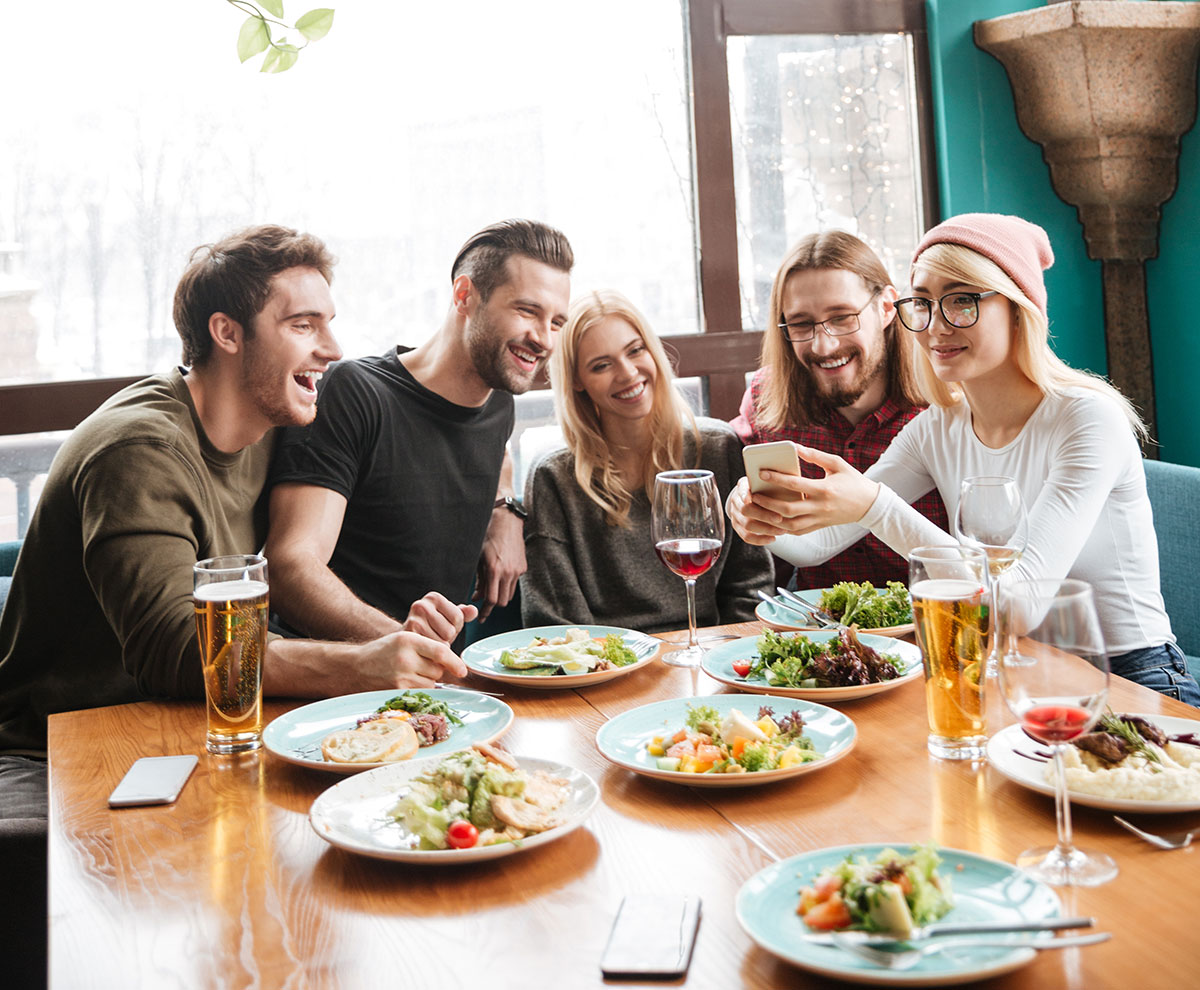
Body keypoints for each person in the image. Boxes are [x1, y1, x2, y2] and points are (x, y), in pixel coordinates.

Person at [0, 224, 475, 987]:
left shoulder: (267, 429)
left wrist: (506, 507)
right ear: (226, 333)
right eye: (302, 324)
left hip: (188, 733)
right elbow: (173, 650)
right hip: (59, 751)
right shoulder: (139, 449)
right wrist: (361, 667)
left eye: (328, 321)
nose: (330, 347)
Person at [728, 213, 1200, 705]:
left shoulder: (1087, 420)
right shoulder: (937, 428)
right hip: (1011, 671)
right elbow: (820, 544)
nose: (935, 325)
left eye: (962, 300)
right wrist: (756, 514)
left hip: (1130, 674)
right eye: (924, 303)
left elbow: (1017, 604)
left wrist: (875, 505)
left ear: (1018, 308)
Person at [264, 220, 573, 643]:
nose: (544, 339)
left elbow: (485, 451)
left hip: (438, 689)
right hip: (335, 687)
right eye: (527, 311)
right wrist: (401, 646)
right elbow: (289, 568)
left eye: (556, 322)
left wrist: (504, 511)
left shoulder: (498, 402)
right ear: (464, 295)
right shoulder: (355, 393)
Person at [521, 289, 772, 632]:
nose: (627, 373)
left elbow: (751, 591)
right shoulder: (553, 477)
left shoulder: (717, 448)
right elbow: (556, 622)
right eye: (601, 365)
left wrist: (721, 662)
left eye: (635, 350)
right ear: (577, 381)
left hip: (710, 658)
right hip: (607, 670)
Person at [731, 231, 948, 590]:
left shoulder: (942, 404)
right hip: (816, 628)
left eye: (843, 317)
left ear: (886, 308)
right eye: (801, 324)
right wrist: (741, 507)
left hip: (933, 623)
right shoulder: (767, 399)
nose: (824, 345)